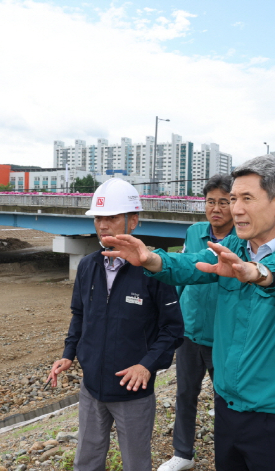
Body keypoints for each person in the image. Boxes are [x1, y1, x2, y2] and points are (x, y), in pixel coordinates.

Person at [101, 155, 275, 471]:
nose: (235, 209)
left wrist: (258, 272)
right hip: (228, 404)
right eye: (234, 198)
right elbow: (191, 264)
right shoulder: (234, 245)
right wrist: (152, 260)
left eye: (246, 199)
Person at [47, 178, 184, 471]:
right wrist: (68, 354)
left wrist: (146, 365)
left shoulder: (154, 268)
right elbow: (79, 315)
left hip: (132, 390)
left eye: (111, 217)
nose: (103, 225)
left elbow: (173, 329)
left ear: (133, 220)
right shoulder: (87, 265)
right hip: (91, 387)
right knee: (87, 460)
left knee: (136, 463)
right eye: (98, 218)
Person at [158, 175, 234, 471]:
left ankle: (227, 457)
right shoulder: (194, 232)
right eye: (210, 201)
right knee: (185, 393)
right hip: (190, 330)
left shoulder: (241, 240)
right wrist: (172, 316)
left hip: (223, 334)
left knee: (225, 398)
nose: (216, 208)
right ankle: (183, 453)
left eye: (224, 202)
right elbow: (183, 274)